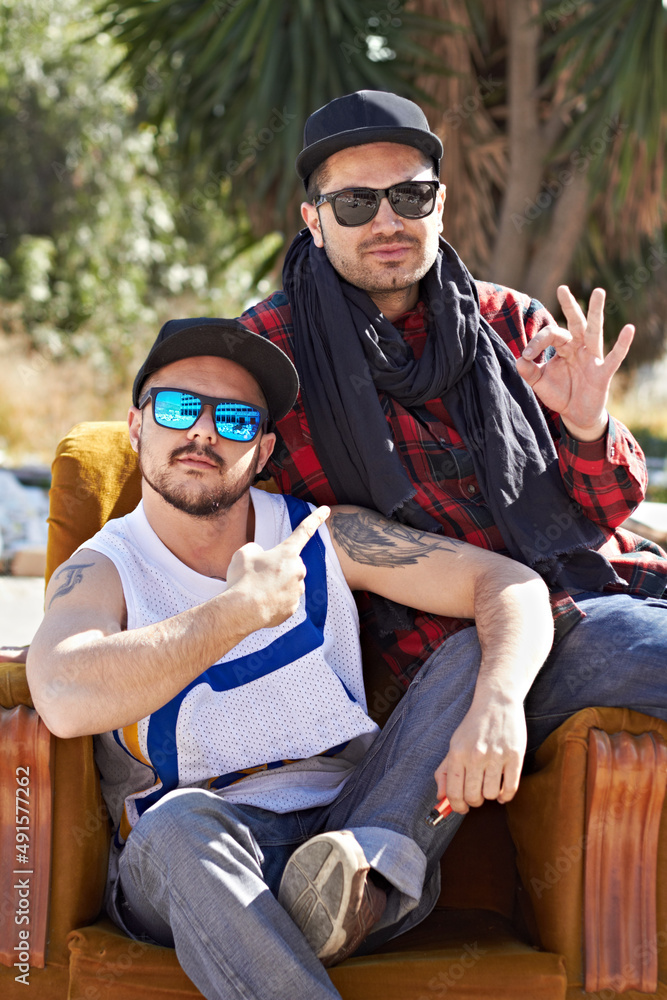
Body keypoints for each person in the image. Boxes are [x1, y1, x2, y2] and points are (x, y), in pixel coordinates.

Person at [26, 318, 554, 999]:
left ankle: (352, 888)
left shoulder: (321, 536)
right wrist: (238, 611)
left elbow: (507, 584)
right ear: (137, 426)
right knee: (173, 826)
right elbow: (64, 696)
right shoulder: (103, 568)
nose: (204, 433)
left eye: (237, 420)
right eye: (178, 408)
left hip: (350, 821)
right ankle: (347, 906)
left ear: (264, 447)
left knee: (473, 654)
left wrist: (500, 703)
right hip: (201, 855)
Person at [240, 89, 667, 767]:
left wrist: (588, 423)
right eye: (355, 203)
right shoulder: (267, 350)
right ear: (313, 222)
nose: (387, 221)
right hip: (471, 642)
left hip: (611, 584)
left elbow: (607, 509)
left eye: (409, 198)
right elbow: (197, 490)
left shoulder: (507, 322)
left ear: (439, 205)